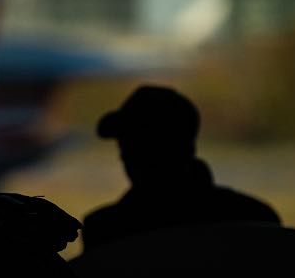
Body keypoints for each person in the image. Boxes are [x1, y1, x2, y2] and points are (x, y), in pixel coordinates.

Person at [81, 84, 281, 251]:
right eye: (127, 142)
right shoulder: (253, 217)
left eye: (145, 142)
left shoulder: (104, 230)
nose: (125, 154)